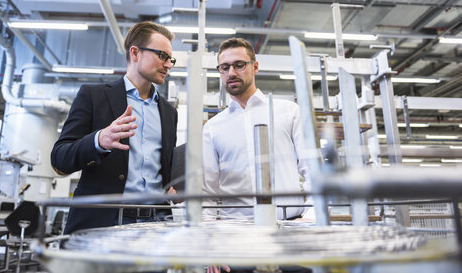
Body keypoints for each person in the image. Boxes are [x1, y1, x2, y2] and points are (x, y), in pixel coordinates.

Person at [51, 21, 178, 234]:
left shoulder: (168, 112)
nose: (168, 65)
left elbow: (164, 170)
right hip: (103, 224)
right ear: (135, 53)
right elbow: (59, 159)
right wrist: (98, 141)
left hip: (156, 227)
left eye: (170, 59)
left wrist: (173, 186)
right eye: (162, 56)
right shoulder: (94, 96)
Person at [202, 37, 314, 221]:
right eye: (224, 67)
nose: (231, 72)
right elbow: (207, 191)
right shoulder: (213, 128)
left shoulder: (289, 112)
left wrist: (312, 217)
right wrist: (208, 232)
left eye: (239, 65)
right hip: (236, 233)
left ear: (255, 67)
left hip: (290, 226)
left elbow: (312, 171)